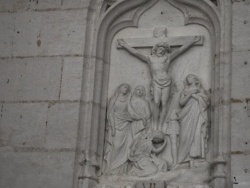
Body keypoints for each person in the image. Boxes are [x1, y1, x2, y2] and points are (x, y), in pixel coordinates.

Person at [118, 36, 201, 131]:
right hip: (156, 81)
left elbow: (180, 50)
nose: (161, 51)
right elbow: (136, 53)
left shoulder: (167, 58)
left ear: (165, 51)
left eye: (163, 50)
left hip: (167, 81)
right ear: (155, 49)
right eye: (159, 49)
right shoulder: (150, 58)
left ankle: (161, 126)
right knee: (156, 102)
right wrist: (124, 45)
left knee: (164, 103)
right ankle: (155, 125)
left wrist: (191, 41)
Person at [177, 74, 210, 167]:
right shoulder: (185, 91)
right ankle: (183, 159)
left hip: (198, 114)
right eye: (187, 77)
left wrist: (196, 96)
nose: (188, 78)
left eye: (190, 77)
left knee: (197, 134)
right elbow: (181, 102)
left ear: (195, 79)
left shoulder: (201, 90)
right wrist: (191, 94)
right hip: (186, 115)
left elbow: (206, 103)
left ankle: (194, 158)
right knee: (184, 136)